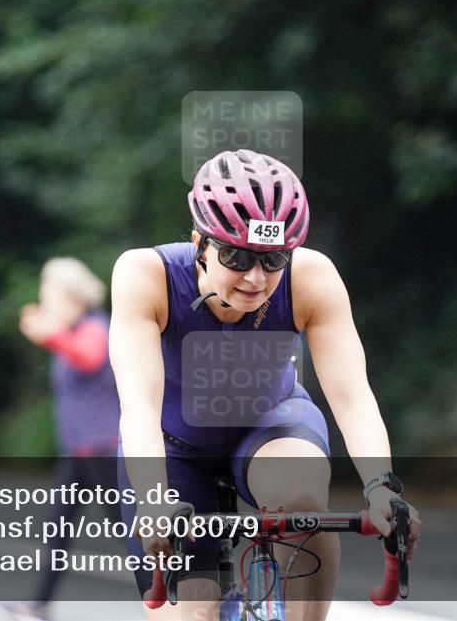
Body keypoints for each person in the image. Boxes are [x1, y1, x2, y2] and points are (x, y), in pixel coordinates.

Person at [110, 149, 422, 621]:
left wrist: (381, 488)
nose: (256, 278)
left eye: (274, 259)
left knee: (301, 497)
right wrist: (153, 499)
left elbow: (353, 398)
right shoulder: (145, 275)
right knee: (193, 612)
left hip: (271, 426)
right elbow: (138, 404)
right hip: (172, 447)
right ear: (199, 244)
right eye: (236, 256)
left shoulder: (311, 277)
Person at [0, 258, 120, 621]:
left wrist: (52, 336)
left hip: (103, 449)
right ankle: (39, 605)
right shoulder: (75, 330)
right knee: (58, 529)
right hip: (79, 450)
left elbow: (88, 357)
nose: (46, 301)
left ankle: (177, 599)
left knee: (132, 533)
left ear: (72, 296)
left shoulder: (95, 326)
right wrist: (54, 335)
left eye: (50, 294)